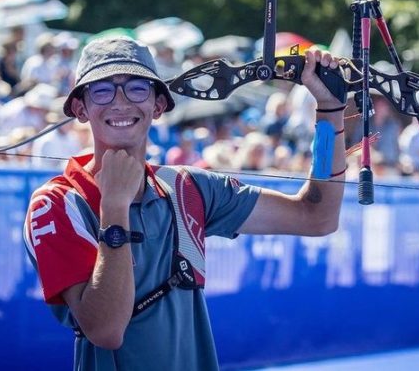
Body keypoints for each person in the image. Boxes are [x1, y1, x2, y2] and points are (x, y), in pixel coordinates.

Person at [23, 36, 346, 370]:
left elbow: (316, 217)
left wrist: (330, 111)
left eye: (137, 88)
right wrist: (115, 207)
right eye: (102, 90)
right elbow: (106, 331)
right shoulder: (58, 202)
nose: (120, 102)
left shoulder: (187, 187)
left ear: (159, 105)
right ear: (81, 108)